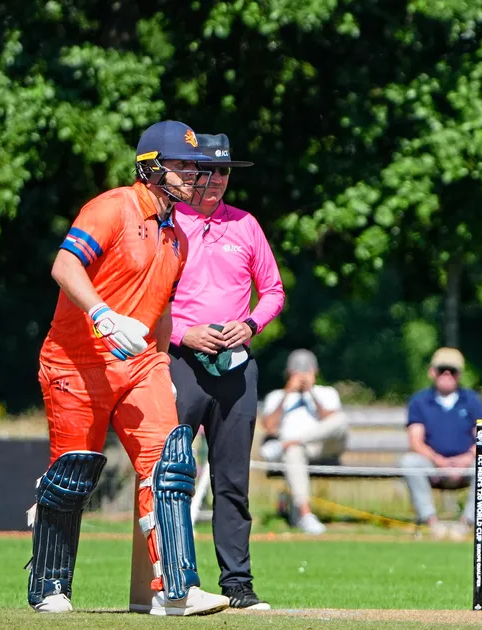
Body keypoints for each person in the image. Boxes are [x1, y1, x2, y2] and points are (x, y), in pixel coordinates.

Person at [29, 120, 229, 615]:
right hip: (76, 363)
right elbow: (64, 266)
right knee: (72, 475)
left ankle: (175, 589)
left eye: (194, 166)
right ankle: (49, 586)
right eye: (182, 165)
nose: (193, 175)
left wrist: (160, 362)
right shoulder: (112, 208)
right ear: (151, 167)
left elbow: (161, 309)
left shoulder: (177, 237)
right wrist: (101, 314)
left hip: (140, 366)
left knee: (170, 465)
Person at [168, 133, 284, 609]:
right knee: (172, 474)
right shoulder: (169, 222)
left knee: (232, 481)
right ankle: (175, 580)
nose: (215, 180)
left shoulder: (246, 225)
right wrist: (183, 333)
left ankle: (238, 584)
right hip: (180, 362)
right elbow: (146, 297)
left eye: (223, 171)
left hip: (235, 366)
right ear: (188, 173)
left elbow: (273, 291)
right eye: (206, 170)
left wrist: (250, 324)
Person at [399, 347, 482, 540]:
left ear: (460, 374)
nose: (447, 375)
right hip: (432, 464)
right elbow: (415, 441)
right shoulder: (419, 401)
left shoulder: (472, 400)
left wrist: (466, 459)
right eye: (442, 370)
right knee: (409, 462)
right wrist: (438, 460)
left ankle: (466, 523)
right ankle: (432, 523)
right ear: (432, 372)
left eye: (453, 371)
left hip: (466, 464)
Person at [259, 349, 349, 535]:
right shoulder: (276, 396)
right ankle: (306, 515)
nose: (302, 376)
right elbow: (269, 427)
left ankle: (285, 444)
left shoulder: (326, 393)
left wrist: (311, 393)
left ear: (315, 372)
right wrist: (287, 393)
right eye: (297, 371)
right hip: (297, 450)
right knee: (293, 451)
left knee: (341, 419)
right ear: (288, 373)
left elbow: (332, 422)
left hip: (325, 446)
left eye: (306, 371)